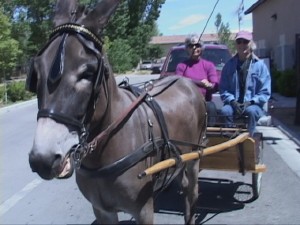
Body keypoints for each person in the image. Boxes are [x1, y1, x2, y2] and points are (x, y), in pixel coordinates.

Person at [219, 31, 271, 136]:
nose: (242, 44)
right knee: (225, 111)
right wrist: (232, 101)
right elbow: (223, 89)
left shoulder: (260, 66)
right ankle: (229, 140)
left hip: (253, 105)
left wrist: (251, 102)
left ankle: (249, 140)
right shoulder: (228, 66)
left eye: (245, 41)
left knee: (251, 112)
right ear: (236, 44)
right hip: (233, 104)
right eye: (239, 41)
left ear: (251, 44)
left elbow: (265, 92)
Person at [176, 33, 219, 126]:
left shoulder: (209, 65)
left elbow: (215, 84)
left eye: (197, 45)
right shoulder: (181, 66)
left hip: (204, 102)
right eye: (191, 46)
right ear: (187, 49)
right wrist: (199, 83)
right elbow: (178, 83)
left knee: (211, 107)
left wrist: (209, 85)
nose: (194, 48)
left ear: (201, 48)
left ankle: (211, 135)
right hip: (186, 102)